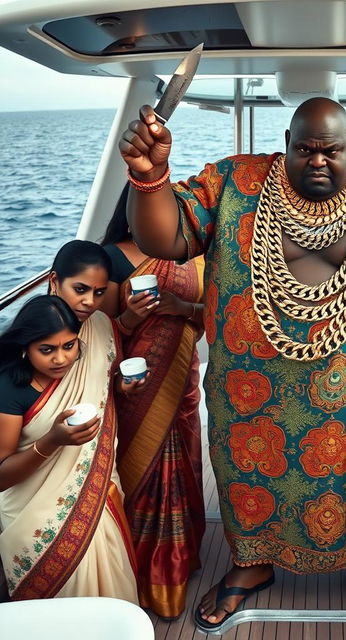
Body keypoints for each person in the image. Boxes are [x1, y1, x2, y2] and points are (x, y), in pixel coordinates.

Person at [118, 96, 346, 630]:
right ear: (286, 145)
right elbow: (168, 238)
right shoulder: (235, 185)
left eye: (331, 151)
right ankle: (250, 565)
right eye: (306, 150)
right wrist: (150, 180)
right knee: (247, 480)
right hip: (248, 393)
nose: (318, 161)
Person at [100, 185, 206, 619]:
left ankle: (181, 558)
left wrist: (181, 306)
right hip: (137, 384)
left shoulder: (196, 255)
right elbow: (101, 329)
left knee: (182, 464)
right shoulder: (111, 257)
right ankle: (142, 571)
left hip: (181, 378)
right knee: (143, 470)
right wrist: (132, 316)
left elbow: (214, 313)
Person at [0, 295, 138, 602]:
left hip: (93, 496)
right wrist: (51, 441)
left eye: (69, 346)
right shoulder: (9, 389)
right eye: (46, 350)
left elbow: (102, 386)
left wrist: (120, 388)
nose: (61, 359)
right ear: (25, 347)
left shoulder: (80, 368)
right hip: (31, 514)